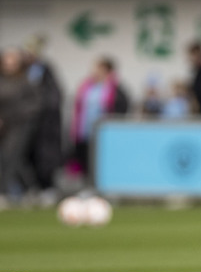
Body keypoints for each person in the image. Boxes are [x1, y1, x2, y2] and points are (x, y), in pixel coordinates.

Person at [70, 57, 129, 177]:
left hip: (103, 132)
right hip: (85, 130)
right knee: (84, 157)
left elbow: (122, 107)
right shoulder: (86, 86)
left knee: (101, 159)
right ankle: (86, 182)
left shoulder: (115, 88)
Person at [23, 36, 63, 203]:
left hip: (45, 125)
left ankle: (47, 189)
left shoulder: (46, 71)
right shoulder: (21, 71)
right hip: (24, 124)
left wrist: (40, 113)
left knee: (45, 158)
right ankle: (29, 188)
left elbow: (54, 97)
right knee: (25, 157)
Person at [0, 47, 41, 202]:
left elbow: (34, 104)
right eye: (6, 61)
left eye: (12, 61)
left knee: (11, 157)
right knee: (12, 160)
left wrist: (12, 117)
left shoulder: (25, 82)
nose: (8, 64)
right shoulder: (1, 80)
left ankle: (4, 193)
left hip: (19, 126)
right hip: (2, 125)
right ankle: (32, 189)